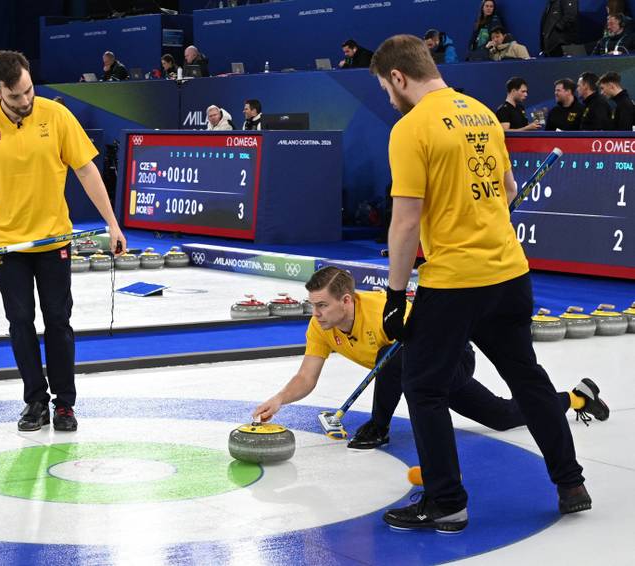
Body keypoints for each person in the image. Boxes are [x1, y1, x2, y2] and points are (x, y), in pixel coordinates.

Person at [370, 34, 589, 533]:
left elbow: (405, 222)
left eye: (386, 88)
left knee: (423, 385)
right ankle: (571, 483)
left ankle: (446, 501)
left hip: (454, 281)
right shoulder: (483, 114)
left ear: (398, 77)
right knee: (527, 379)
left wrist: (395, 296)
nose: (389, 98)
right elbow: (508, 190)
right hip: (510, 272)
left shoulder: (410, 129)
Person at [0, 50, 127, 433]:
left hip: (53, 239)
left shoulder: (56, 115)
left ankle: (65, 404)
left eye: (29, 90)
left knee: (59, 321)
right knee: (20, 322)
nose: (25, 100)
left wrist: (113, 224)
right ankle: (35, 401)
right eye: (15, 96)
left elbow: (86, 171)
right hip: (7, 244)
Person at [254, 267, 609, 449]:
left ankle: (379, 427)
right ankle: (577, 397)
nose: (315, 313)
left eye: (322, 305)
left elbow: (430, 345)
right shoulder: (320, 327)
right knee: (501, 416)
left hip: (451, 356)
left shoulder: (382, 311)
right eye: (313, 305)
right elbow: (307, 377)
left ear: (346, 300)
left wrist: (380, 418)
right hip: (420, 371)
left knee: (392, 356)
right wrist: (280, 398)